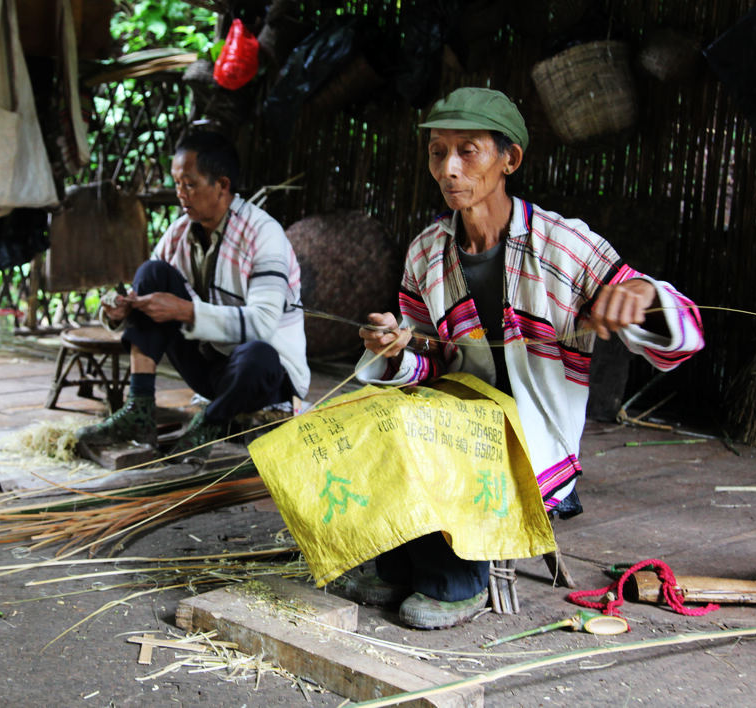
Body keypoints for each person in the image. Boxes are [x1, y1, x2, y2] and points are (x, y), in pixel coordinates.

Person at [352, 87, 705, 629]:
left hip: (536, 434)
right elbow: (428, 360)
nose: (448, 168)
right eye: (436, 151)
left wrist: (647, 299)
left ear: (509, 159)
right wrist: (395, 347)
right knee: (385, 412)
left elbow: (686, 335)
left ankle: (457, 583)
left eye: (467, 151)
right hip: (459, 408)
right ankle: (400, 563)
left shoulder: (565, 247)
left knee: (444, 432)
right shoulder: (426, 252)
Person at [77, 131, 310, 455]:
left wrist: (184, 311)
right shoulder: (181, 231)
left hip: (265, 378)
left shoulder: (263, 233)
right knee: (151, 273)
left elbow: (263, 324)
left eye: (190, 184)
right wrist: (121, 309)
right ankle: (139, 409)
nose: (180, 194)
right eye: (177, 184)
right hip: (210, 369)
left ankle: (210, 424)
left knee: (259, 355)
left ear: (222, 185)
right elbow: (145, 290)